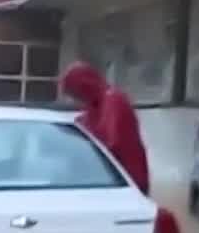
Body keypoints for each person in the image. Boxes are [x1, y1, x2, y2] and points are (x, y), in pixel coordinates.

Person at [59, 62, 150, 194]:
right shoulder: (95, 105)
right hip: (110, 180)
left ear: (85, 87)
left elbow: (113, 143)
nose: (77, 99)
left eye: (76, 94)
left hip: (127, 181)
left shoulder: (113, 101)